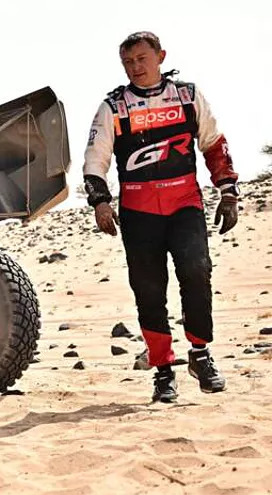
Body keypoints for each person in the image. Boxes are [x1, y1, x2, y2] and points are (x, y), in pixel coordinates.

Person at [82, 30, 241, 403]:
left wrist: (228, 191)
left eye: (142, 59)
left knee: (197, 272)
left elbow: (213, 143)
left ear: (161, 57)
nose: (135, 67)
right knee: (149, 291)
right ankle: (163, 371)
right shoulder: (113, 106)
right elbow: (95, 159)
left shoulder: (187, 95)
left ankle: (200, 354)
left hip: (184, 203)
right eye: (128, 62)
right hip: (138, 212)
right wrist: (100, 202)